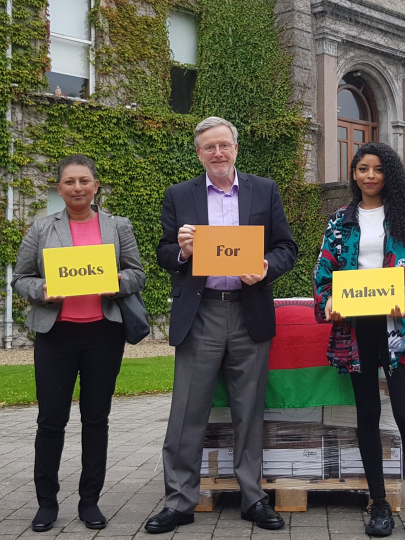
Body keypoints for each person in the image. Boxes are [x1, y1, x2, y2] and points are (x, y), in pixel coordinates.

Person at [147, 117, 298, 533]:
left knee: (248, 411)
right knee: (186, 413)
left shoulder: (263, 190)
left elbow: (287, 247)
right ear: (199, 153)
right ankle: (179, 501)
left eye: (224, 145)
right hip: (202, 313)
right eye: (209, 147)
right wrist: (180, 251)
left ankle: (253, 498)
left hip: (249, 312)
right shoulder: (179, 195)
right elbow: (162, 253)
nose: (217, 153)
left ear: (236, 148)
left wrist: (266, 267)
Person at [313, 142, 405, 538]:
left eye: (377, 169)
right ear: (353, 174)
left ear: (389, 173)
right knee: (367, 416)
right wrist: (331, 302)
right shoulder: (340, 221)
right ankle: (378, 504)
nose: (370, 176)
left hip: (397, 329)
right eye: (362, 169)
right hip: (355, 330)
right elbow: (324, 274)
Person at [12, 154, 146, 533]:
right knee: (51, 421)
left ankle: (90, 502)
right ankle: (47, 503)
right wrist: (42, 289)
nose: (77, 188)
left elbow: (138, 274)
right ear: (59, 188)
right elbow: (20, 277)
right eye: (69, 182)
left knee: (96, 420)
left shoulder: (117, 226)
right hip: (56, 335)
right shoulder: (41, 228)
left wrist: (117, 282)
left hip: (103, 333)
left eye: (84, 181)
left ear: (96, 185)